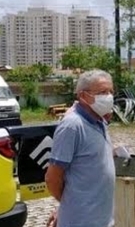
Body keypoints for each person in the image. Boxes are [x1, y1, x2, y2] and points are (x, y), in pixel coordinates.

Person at [45, 69, 116, 227]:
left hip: (102, 219)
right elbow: (52, 178)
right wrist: (68, 206)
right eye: (103, 92)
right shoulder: (72, 126)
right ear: (83, 96)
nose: (109, 97)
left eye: (111, 91)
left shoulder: (100, 121)